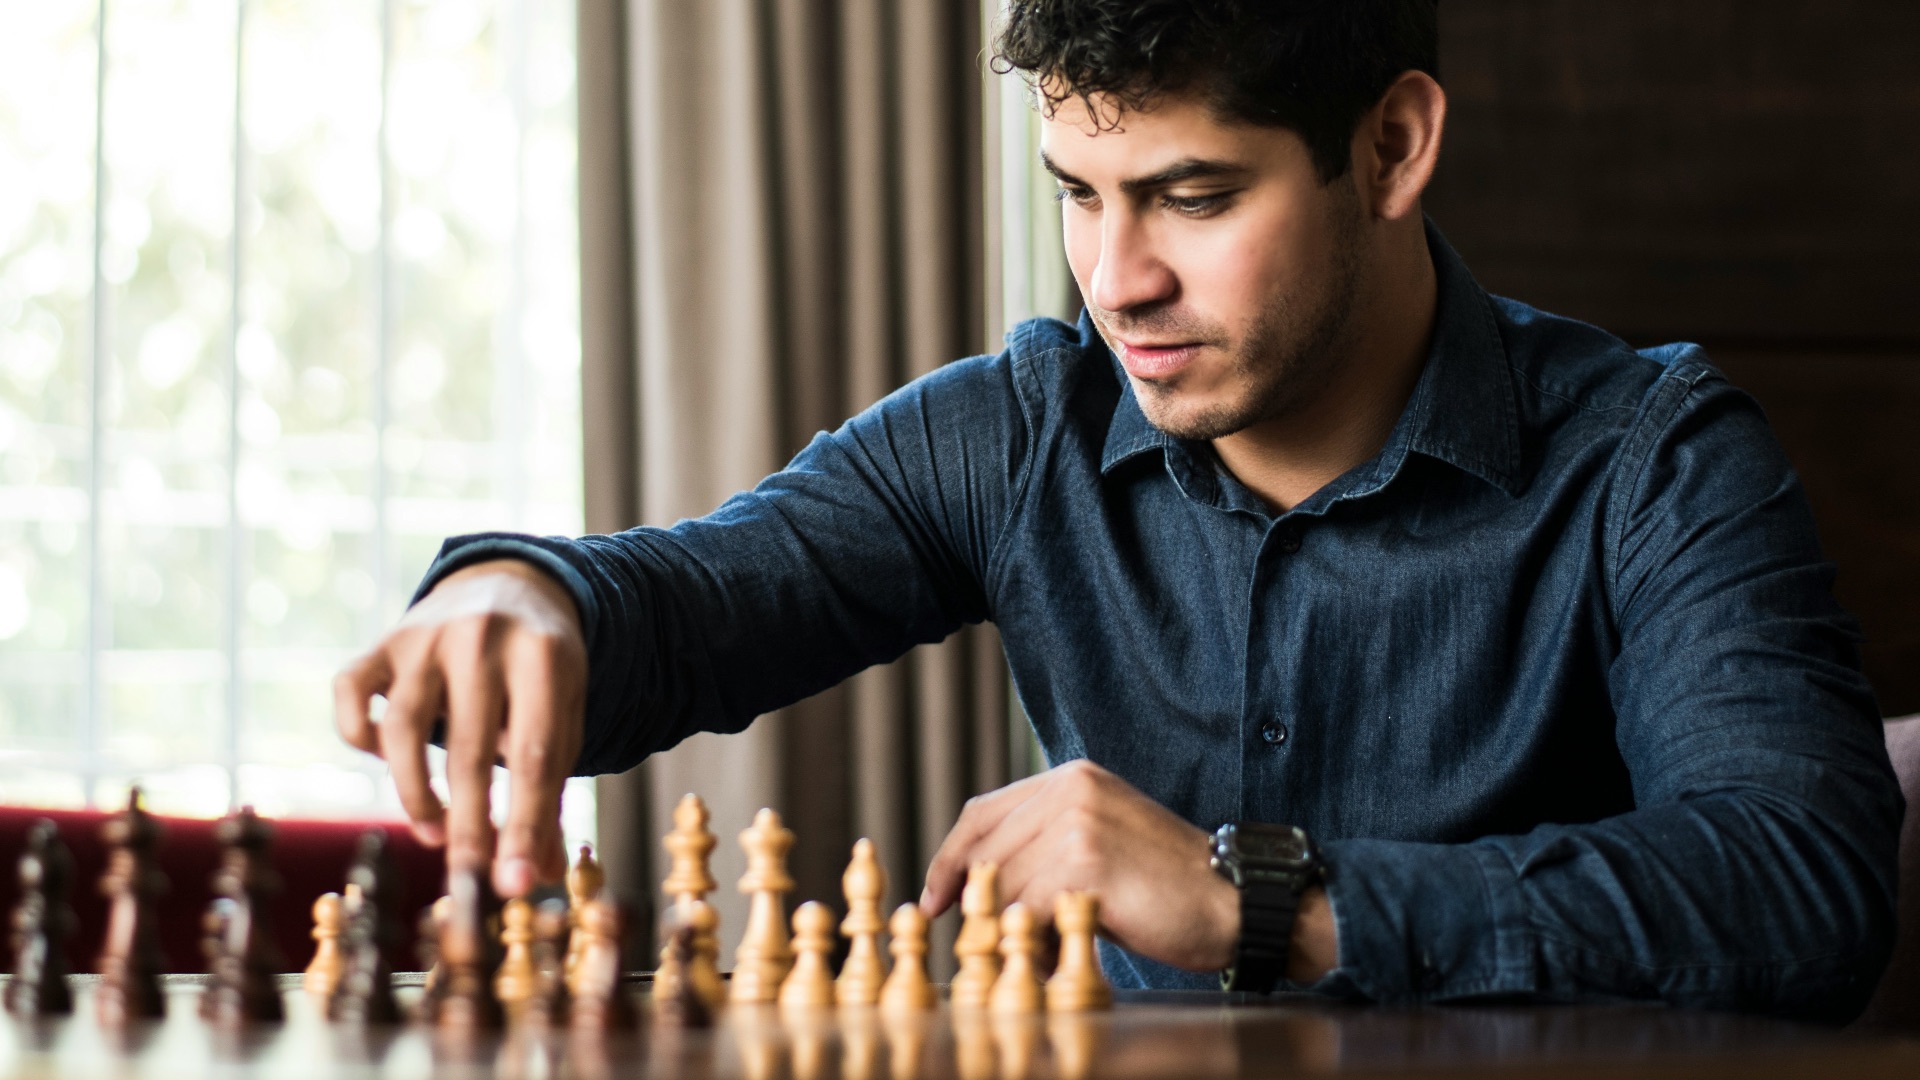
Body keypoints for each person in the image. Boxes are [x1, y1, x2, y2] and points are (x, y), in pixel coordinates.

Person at [334, 0, 1902, 1017]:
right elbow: (693, 603)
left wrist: (1264, 904)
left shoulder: (1653, 461)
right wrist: (522, 592)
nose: (1119, 279)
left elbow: (1808, 881)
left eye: (1195, 198)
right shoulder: (1027, 426)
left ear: (1394, 146)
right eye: (1080, 195)